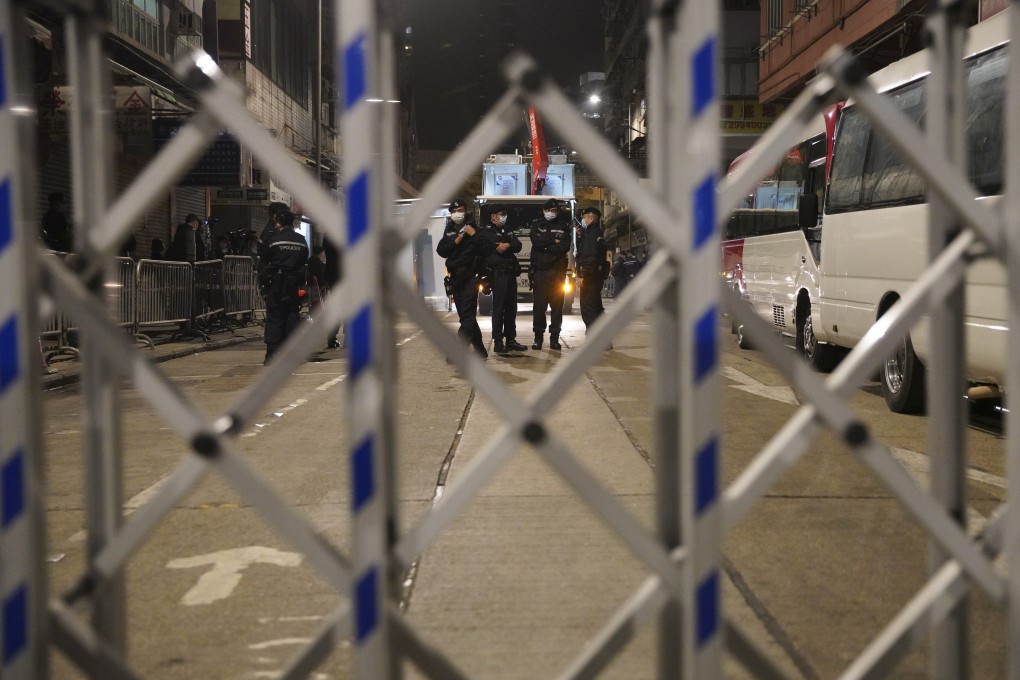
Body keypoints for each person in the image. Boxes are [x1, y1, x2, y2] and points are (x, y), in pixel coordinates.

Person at [436, 198, 491, 358]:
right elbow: (441, 250)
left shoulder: (475, 229)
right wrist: (456, 240)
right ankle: (480, 349)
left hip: (470, 277)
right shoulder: (450, 229)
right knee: (465, 316)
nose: (456, 214)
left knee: (467, 316)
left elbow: (486, 249)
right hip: (455, 278)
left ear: (465, 211)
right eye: (453, 211)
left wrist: (473, 236)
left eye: (459, 210)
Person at [258, 210, 308, 364]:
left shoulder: (274, 240)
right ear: (292, 222)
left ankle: (272, 354)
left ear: (279, 223)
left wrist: (264, 283)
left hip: (277, 284)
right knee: (292, 316)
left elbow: (264, 261)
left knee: (275, 318)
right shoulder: (301, 240)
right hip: (294, 285)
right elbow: (303, 261)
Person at [478, 205, 527, 355]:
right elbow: (491, 248)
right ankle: (498, 341)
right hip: (498, 274)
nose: (504, 217)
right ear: (493, 216)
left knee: (512, 308)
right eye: (501, 214)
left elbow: (518, 246)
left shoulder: (508, 230)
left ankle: (510, 339)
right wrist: (505, 245)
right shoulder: (486, 232)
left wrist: (508, 244)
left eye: (505, 214)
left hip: (510, 273)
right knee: (499, 308)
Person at [529, 198, 571, 350]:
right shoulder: (537, 224)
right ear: (543, 211)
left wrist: (546, 246)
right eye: (548, 210)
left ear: (557, 211)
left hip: (557, 273)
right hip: (540, 272)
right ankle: (538, 338)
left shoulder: (563, 226)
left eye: (553, 211)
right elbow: (536, 241)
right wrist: (554, 243)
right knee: (539, 307)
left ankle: (554, 339)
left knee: (557, 307)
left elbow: (565, 247)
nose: (551, 213)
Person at [574, 206, 609, 334]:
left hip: (590, 277)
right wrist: (580, 237)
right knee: (597, 308)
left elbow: (589, 257)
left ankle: (593, 341)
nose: (582, 221)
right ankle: (604, 340)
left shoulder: (592, 234)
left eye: (584, 218)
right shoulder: (596, 233)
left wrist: (582, 275)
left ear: (590, 218)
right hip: (596, 276)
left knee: (589, 309)